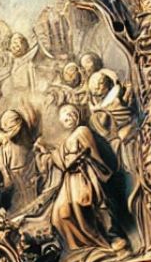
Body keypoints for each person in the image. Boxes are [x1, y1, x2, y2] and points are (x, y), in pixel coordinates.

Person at [47, 104, 114, 251]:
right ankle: (78, 247)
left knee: (80, 205)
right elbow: (63, 161)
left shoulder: (82, 131)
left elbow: (91, 154)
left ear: (77, 115)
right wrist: (49, 153)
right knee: (58, 215)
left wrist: (77, 160)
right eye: (65, 117)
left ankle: (99, 242)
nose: (68, 118)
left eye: (71, 114)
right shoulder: (68, 139)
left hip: (84, 176)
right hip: (70, 180)